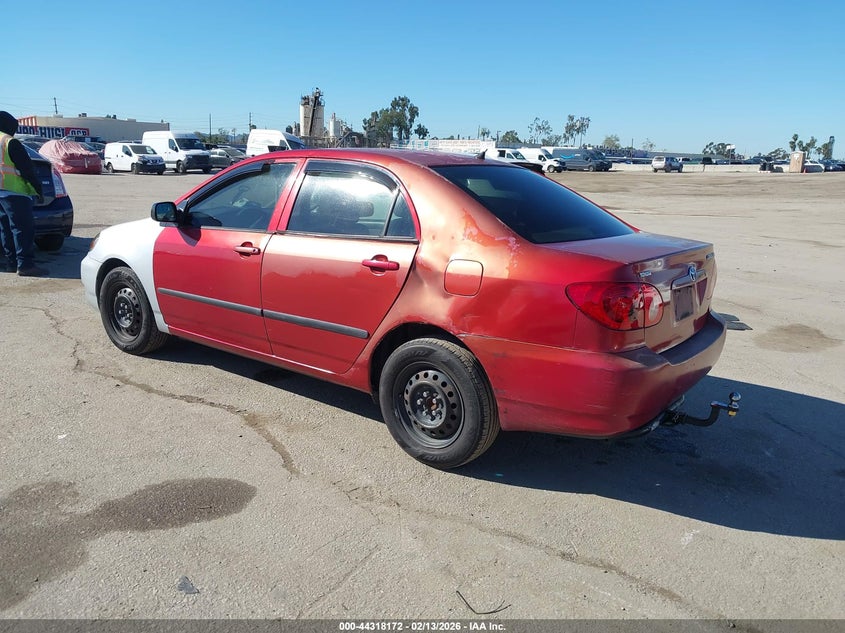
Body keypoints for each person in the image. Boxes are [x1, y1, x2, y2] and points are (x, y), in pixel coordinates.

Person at [0, 110, 48, 276]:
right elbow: (27, 169)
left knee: (5, 229)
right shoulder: (9, 142)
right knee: (23, 230)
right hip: (15, 192)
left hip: (0, 194)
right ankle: (25, 265)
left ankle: (11, 263)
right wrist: (38, 189)